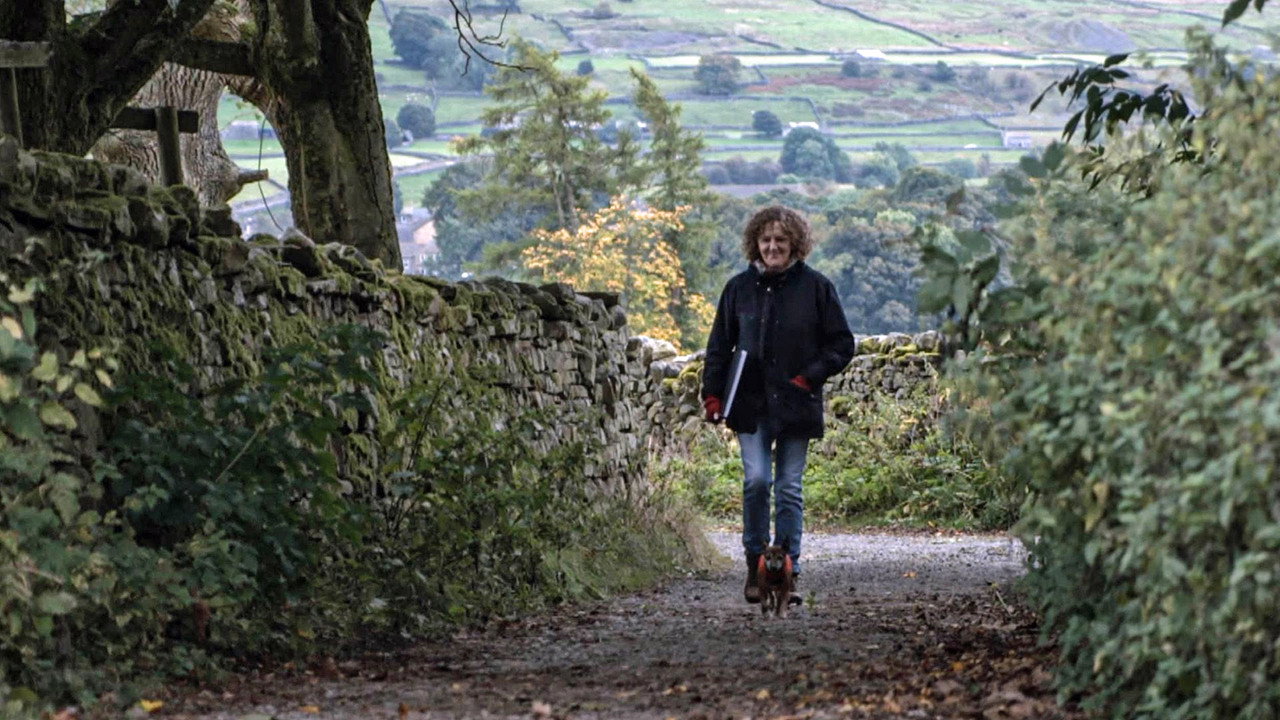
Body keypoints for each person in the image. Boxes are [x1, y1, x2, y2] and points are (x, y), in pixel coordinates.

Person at [701, 205, 856, 604]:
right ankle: (755, 568)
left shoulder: (817, 288)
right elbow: (719, 346)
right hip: (749, 405)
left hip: (795, 404)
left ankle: (787, 572)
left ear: (795, 245)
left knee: (788, 488)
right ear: (755, 242)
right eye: (766, 240)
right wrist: (713, 394)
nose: (772, 247)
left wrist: (810, 376)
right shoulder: (737, 289)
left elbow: (842, 344)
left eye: (781, 241)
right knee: (756, 482)